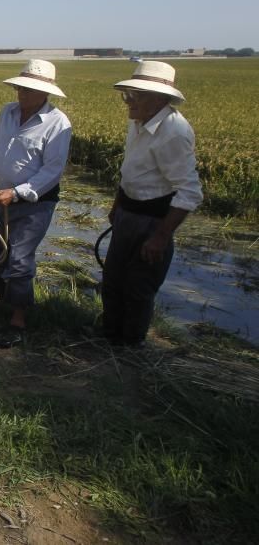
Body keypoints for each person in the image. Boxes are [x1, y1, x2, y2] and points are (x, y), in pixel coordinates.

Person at [0, 59, 72, 348]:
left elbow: (52, 171)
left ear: (45, 93)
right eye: (20, 87)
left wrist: (19, 192)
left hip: (34, 203)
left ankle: (18, 321)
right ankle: (3, 303)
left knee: (20, 258)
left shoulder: (57, 123)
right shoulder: (8, 113)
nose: (21, 93)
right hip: (2, 196)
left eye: (28, 89)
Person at [101, 61, 202, 348]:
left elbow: (189, 191)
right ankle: (108, 334)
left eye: (135, 96)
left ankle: (130, 346)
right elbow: (130, 171)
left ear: (158, 99)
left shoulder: (174, 132)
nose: (128, 102)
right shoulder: (139, 122)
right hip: (127, 214)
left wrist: (160, 236)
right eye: (127, 95)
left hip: (153, 221)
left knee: (138, 288)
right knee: (112, 280)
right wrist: (117, 205)